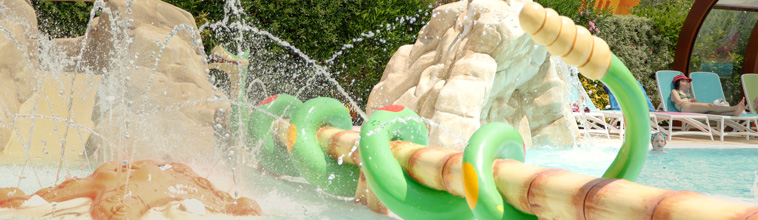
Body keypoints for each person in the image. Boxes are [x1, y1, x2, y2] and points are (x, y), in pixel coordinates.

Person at [671, 75, 745, 116]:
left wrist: (694, 101)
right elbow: (679, 101)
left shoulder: (688, 93)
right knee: (710, 106)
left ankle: (733, 112)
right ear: (681, 82)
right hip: (684, 107)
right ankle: (734, 107)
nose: (689, 83)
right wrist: (689, 100)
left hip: (690, 107)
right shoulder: (675, 91)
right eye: (687, 81)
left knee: (710, 112)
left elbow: (694, 102)